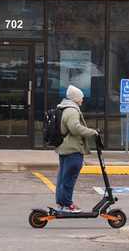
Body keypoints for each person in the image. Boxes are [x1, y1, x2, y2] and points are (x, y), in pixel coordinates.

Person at [55, 85, 98, 213]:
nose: (82, 100)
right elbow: (75, 128)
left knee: (62, 178)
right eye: (81, 98)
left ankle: (61, 203)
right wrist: (92, 132)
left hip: (64, 148)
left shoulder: (63, 107)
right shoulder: (72, 110)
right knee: (69, 178)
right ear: (76, 98)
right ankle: (67, 205)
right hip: (72, 149)